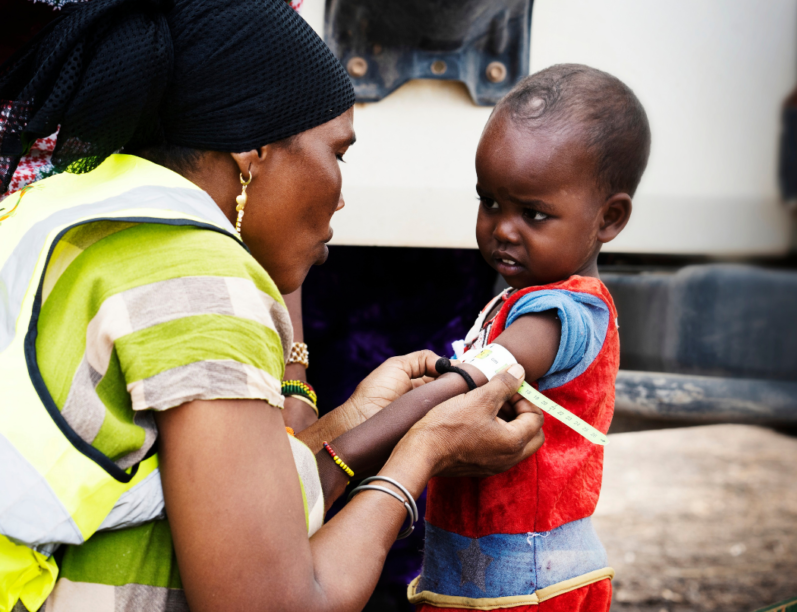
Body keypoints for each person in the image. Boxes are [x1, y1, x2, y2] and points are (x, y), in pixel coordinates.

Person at [0, 1, 546, 611]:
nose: (342, 198)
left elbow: (226, 504)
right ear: (252, 155)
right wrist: (427, 450)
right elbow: (276, 602)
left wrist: (358, 419)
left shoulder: (75, 212)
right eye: (337, 155)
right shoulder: (199, 278)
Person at [307, 64, 651, 611]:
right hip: (479, 570)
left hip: (532, 581)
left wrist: (338, 455)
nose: (502, 228)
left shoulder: (564, 315)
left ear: (609, 219)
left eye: (533, 213)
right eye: (489, 201)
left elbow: (463, 386)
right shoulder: (517, 300)